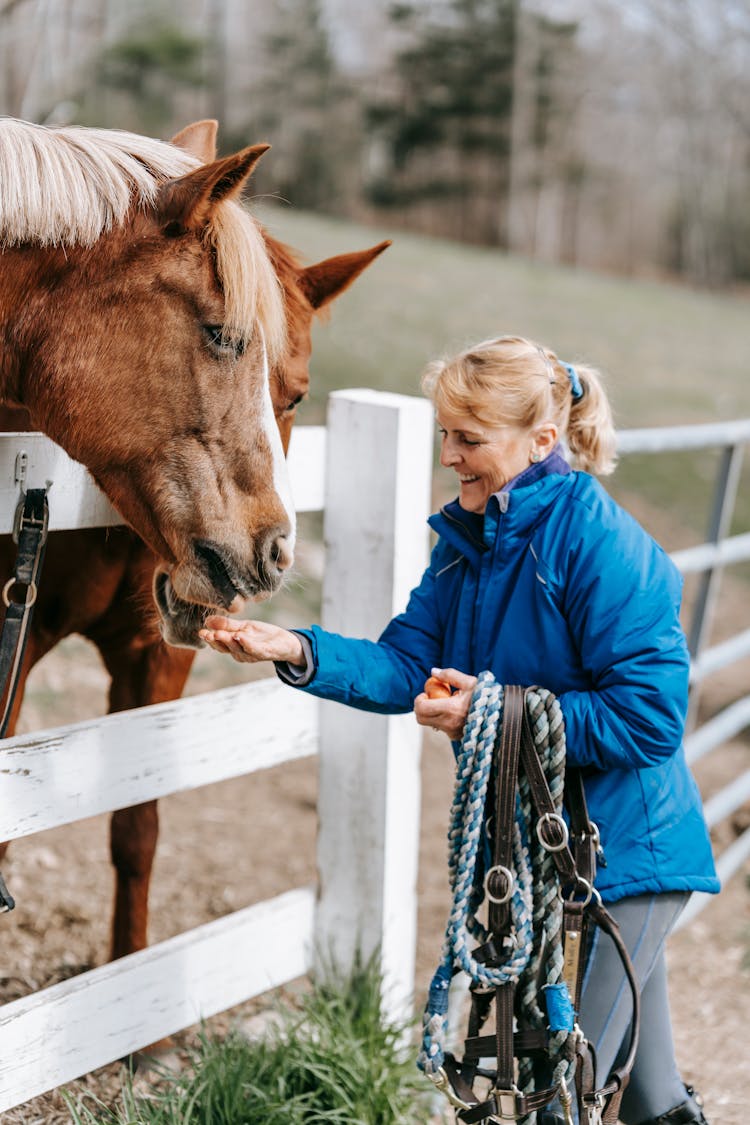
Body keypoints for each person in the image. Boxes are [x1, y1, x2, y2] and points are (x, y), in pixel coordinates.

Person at [200, 334, 718, 1125]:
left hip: (625, 861)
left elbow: (649, 719)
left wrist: (493, 709)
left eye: (469, 438)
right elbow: (407, 664)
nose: (449, 456)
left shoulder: (602, 545)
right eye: (446, 434)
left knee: (557, 1098)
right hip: (558, 859)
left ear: (541, 441)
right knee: (653, 1099)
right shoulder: (465, 547)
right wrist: (298, 648)